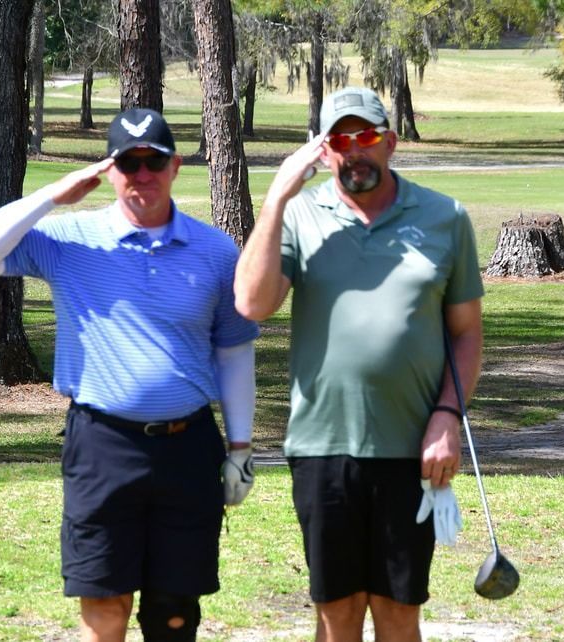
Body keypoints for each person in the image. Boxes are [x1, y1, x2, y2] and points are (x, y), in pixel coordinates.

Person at [0, 107, 259, 642]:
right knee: (104, 598)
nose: (142, 175)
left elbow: (233, 352)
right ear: (109, 169)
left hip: (188, 446)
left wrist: (239, 448)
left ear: (175, 166)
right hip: (101, 445)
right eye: (128, 162)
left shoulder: (216, 251)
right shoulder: (69, 240)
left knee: (174, 608)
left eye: (153, 162)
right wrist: (52, 195)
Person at [234, 87, 484, 642]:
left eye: (366, 136)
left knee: (398, 612)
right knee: (336, 613)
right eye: (341, 140)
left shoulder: (445, 218)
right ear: (325, 151)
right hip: (322, 447)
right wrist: (276, 197)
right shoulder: (299, 215)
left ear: (390, 142)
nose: (356, 151)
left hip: (412, 449)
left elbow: (466, 335)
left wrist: (448, 417)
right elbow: (252, 304)